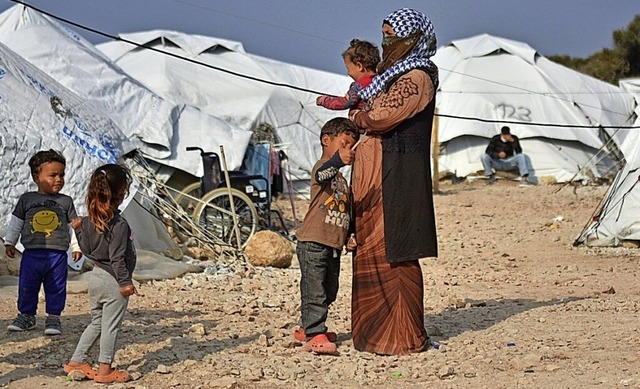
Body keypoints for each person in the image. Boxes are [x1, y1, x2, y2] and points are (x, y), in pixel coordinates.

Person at [348, 7, 439, 355]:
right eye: (383, 33)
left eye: (392, 35)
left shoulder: (416, 78)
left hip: (398, 177)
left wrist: (358, 115)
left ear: (411, 38)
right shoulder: (390, 77)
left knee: (397, 253)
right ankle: (373, 333)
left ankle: (403, 336)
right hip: (375, 179)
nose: (386, 41)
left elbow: (383, 117)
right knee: (371, 251)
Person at [63, 164, 138, 384]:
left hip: (95, 277)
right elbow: (117, 258)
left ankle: (76, 360)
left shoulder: (86, 222)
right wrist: (125, 282)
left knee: (96, 323)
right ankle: (105, 369)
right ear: (121, 193)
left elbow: (86, 250)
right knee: (110, 326)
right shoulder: (119, 224)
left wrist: (77, 229)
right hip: (113, 280)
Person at [293, 117, 359, 355]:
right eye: (344, 143)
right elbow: (323, 173)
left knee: (329, 290)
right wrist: (337, 160)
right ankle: (314, 333)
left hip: (333, 245)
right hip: (313, 241)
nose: (348, 150)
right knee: (315, 291)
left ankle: (306, 327)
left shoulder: (341, 180)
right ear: (326, 140)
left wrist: (350, 234)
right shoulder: (323, 168)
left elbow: (347, 209)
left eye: (352, 146)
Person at [4, 149, 81, 335]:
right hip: (32, 254)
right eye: (53, 175)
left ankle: (54, 318)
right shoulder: (27, 199)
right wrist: (10, 242)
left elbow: (74, 227)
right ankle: (26, 316)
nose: (59, 179)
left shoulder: (66, 201)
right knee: (27, 285)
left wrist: (76, 247)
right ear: (36, 177)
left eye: (61, 175)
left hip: (58, 255)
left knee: (56, 286)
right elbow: (16, 223)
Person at [316, 39, 379, 111]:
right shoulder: (381, 81)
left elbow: (344, 103)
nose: (348, 73)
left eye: (348, 69)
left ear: (359, 66)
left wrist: (323, 100)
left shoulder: (358, 86)